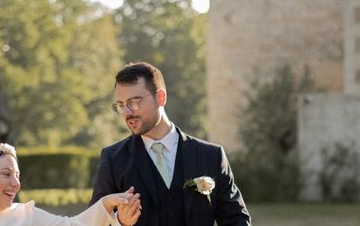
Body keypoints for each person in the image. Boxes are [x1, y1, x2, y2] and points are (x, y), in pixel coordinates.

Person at [90, 62, 251, 226]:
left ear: (161, 97)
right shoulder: (113, 160)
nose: (126, 112)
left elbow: (237, 220)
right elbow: (94, 222)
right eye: (121, 105)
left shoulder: (211, 156)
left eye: (134, 102)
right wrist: (120, 222)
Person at [0, 142, 141, 226]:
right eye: (6, 174)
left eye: (17, 175)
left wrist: (107, 204)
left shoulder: (27, 216)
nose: (16, 183)